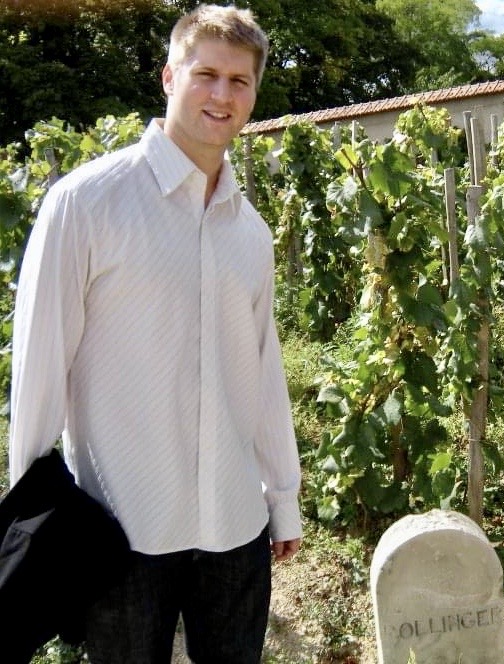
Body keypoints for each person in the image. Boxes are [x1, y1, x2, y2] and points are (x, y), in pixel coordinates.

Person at [8, 4, 302, 662]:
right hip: (122, 530)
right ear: (169, 77)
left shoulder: (250, 232)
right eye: (205, 74)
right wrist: (32, 527)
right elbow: (40, 368)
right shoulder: (86, 203)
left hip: (235, 526)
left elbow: (263, 373)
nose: (222, 94)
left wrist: (282, 499)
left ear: (254, 94)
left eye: (239, 81)